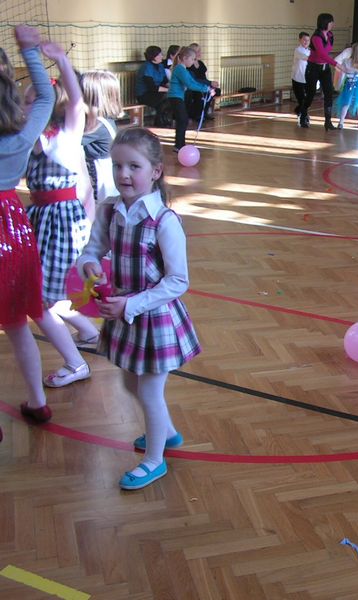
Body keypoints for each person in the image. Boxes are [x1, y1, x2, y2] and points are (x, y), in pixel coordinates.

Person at [77, 127, 201, 490]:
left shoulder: (164, 221)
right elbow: (92, 250)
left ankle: (154, 459)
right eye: (117, 166)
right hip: (124, 314)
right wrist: (90, 264)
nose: (124, 174)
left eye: (134, 166)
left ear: (156, 171)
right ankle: (168, 433)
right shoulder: (110, 209)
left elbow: (178, 281)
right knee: (129, 382)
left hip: (154, 318)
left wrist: (131, 303)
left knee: (148, 391)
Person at [24, 34, 96, 388]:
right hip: (40, 220)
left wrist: (62, 61)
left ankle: (76, 363)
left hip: (63, 223)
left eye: (30, 101)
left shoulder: (64, 138)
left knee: (39, 300)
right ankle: (88, 330)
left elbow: (77, 102)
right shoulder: (30, 141)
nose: (24, 107)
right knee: (49, 291)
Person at [0, 26, 57, 433]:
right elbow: (48, 97)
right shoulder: (23, 132)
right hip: (13, 228)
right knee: (17, 323)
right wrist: (30, 51)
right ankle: (38, 402)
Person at [81, 69, 122, 210]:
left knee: (98, 213)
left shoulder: (97, 124)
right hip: (101, 177)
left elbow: (68, 141)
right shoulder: (102, 120)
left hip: (101, 180)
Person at [167, 46, 215, 152]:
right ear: (185, 58)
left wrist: (207, 87)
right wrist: (206, 89)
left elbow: (193, 82)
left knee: (183, 120)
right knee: (182, 120)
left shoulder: (183, 69)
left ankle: (180, 145)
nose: (193, 62)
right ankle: (179, 145)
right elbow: (190, 84)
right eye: (192, 59)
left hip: (178, 97)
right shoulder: (180, 69)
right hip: (175, 97)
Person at [299, 13, 339, 130]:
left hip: (325, 68)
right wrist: (337, 64)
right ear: (325, 23)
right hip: (313, 68)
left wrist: (332, 63)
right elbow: (322, 54)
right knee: (311, 93)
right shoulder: (316, 37)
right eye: (331, 22)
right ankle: (303, 116)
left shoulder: (330, 35)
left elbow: (327, 52)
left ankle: (328, 121)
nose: (333, 24)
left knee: (329, 93)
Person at [334, 42, 358, 129]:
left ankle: (341, 122)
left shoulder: (346, 61)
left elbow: (341, 67)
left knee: (346, 102)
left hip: (349, 82)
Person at [134, 46, 170, 127]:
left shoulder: (160, 66)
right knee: (164, 97)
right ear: (153, 56)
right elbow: (152, 87)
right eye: (160, 55)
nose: (162, 56)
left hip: (157, 92)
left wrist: (173, 87)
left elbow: (165, 81)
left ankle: (163, 120)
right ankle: (160, 121)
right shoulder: (146, 67)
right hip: (144, 94)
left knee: (170, 97)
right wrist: (168, 90)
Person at [186, 43, 220, 122]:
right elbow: (193, 80)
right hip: (194, 86)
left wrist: (211, 84)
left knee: (214, 91)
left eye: (200, 51)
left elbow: (204, 77)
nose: (200, 53)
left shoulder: (201, 63)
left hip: (203, 84)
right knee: (199, 93)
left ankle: (204, 113)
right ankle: (197, 114)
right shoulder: (189, 65)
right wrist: (210, 83)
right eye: (197, 51)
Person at [291, 32, 311, 121]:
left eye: (308, 40)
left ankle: (299, 111)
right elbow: (306, 58)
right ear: (300, 40)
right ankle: (304, 117)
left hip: (307, 79)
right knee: (302, 99)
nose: (306, 42)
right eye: (304, 40)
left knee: (307, 100)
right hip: (297, 79)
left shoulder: (310, 51)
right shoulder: (297, 50)